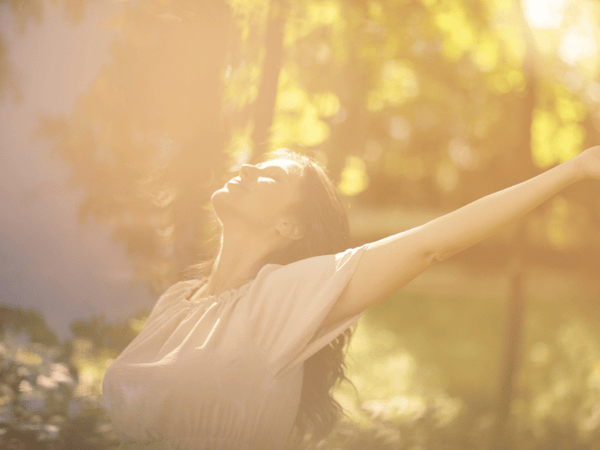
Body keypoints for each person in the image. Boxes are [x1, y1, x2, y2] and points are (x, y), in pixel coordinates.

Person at [102, 146, 600, 450]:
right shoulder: (176, 303)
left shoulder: (285, 298)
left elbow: (431, 244)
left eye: (271, 175)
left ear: (289, 226)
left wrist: (574, 169)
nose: (249, 166)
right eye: (255, 162)